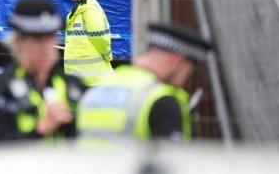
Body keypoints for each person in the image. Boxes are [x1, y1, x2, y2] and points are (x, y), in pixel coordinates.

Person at [76, 23, 213, 141]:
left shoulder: (98, 89)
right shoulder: (162, 100)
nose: (184, 80)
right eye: (189, 71)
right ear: (176, 60)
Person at [0, 0, 86, 143]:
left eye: (50, 37)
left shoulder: (73, 87)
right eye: (37, 39)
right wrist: (40, 131)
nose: (45, 48)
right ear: (18, 42)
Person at [64, 0, 113, 85]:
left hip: (92, 81)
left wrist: (107, 56)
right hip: (83, 78)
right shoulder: (81, 8)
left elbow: (100, 38)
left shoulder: (90, 10)